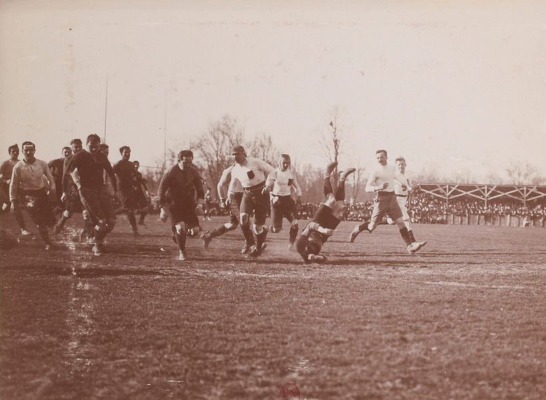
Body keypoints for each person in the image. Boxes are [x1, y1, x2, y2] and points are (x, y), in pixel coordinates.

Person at [349, 149, 426, 254]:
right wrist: (379, 187)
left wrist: (403, 184)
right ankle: (358, 228)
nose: (380, 159)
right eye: (377, 158)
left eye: (381, 157)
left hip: (392, 198)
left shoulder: (392, 168)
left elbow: (395, 177)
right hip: (381, 199)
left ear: (386, 157)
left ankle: (410, 246)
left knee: (401, 222)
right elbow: (367, 188)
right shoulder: (376, 171)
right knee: (372, 227)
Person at [64, 134, 118, 256]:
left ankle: (95, 239)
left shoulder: (102, 156)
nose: (94, 149)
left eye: (96, 146)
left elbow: (111, 173)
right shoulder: (80, 156)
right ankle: (97, 245)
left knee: (112, 221)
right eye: (91, 146)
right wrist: (76, 186)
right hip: (87, 191)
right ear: (87, 144)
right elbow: (68, 173)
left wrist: (115, 191)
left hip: (101, 190)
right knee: (102, 221)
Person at [296, 162, 355, 263]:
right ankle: (342, 178)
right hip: (325, 233)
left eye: (309, 256)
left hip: (317, 223)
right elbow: (324, 258)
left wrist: (322, 230)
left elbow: (310, 226)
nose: (311, 255)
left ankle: (327, 174)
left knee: (331, 201)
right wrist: (317, 258)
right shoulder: (315, 252)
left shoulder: (300, 246)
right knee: (340, 207)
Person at [157, 150, 204, 261]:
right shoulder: (171, 172)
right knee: (180, 228)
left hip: (188, 204)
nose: (188, 165)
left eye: (190, 163)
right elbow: (161, 190)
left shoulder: (194, 172)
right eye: (185, 162)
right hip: (173, 204)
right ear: (179, 160)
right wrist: (162, 208)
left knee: (195, 231)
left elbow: (200, 189)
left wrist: (200, 204)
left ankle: (177, 237)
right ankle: (182, 252)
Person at [9, 141, 56, 249]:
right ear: (22, 151)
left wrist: (52, 190)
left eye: (31, 150)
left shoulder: (42, 164)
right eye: (26, 150)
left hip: (41, 193)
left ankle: (52, 237)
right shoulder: (18, 167)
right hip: (27, 196)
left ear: (35, 150)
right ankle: (48, 242)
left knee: (51, 221)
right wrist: (13, 200)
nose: (28, 152)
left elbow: (50, 178)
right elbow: (13, 184)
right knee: (38, 221)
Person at [229, 145, 274, 257]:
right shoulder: (235, 169)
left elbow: (272, 171)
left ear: (243, 153)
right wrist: (229, 194)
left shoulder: (255, 162)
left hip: (261, 193)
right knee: (243, 217)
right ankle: (251, 244)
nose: (235, 157)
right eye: (233, 155)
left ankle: (257, 249)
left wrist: (268, 185)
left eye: (237, 154)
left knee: (257, 227)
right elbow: (233, 183)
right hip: (247, 193)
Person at [200, 164, 252, 253]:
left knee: (232, 224)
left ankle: (208, 236)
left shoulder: (248, 168)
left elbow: (252, 182)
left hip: (246, 196)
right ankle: (251, 244)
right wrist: (222, 200)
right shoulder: (229, 170)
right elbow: (220, 185)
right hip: (235, 198)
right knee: (244, 220)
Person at [266, 153, 302, 249]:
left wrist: (299, 195)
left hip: (288, 200)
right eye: (284, 162)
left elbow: (296, 186)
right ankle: (273, 229)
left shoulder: (291, 173)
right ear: (279, 162)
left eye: (288, 163)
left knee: (295, 223)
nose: (286, 165)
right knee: (277, 229)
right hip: (276, 200)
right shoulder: (274, 172)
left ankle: (291, 244)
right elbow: (268, 188)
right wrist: (273, 198)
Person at [54, 139, 84, 234]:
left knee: (87, 211)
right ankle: (60, 224)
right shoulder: (68, 160)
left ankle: (87, 231)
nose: (78, 148)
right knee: (68, 212)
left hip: (85, 187)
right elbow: (65, 176)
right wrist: (64, 192)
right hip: (73, 189)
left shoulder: (86, 157)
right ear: (72, 148)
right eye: (75, 147)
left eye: (79, 146)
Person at [0, 144, 30, 235]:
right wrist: (6, 181)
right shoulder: (5, 163)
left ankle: (23, 229)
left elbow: (25, 176)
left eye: (16, 151)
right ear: (9, 153)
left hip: (15, 190)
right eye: (13, 151)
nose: (15, 153)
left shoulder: (21, 163)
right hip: (3, 189)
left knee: (15, 207)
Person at [113, 146, 141, 235]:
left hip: (130, 188)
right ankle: (110, 214)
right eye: (125, 152)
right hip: (121, 188)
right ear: (121, 153)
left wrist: (135, 183)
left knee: (130, 210)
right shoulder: (118, 164)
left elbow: (134, 176)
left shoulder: (131, 164)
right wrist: (113, 187)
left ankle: (134, 230)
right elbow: (111, 175)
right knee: (127, 207)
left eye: (129, 152)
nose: (127, 154)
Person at [48, 146, 72, 211]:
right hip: (57, 181)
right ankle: (59, 207)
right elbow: (46, 167)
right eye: (65, 152)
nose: (67, 154)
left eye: (68, 152)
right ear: (62, 153)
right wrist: (51, 175)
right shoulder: (56, 161)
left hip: (66, 181)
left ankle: (64, 207)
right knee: (58, 194)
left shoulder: (72, 161)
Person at [133, 160, 150, 226]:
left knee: (146, 208)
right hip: (131, 194)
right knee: (129, 210)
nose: (136, 166)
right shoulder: (129, 173)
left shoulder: (139, 174)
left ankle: (141, 220)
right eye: (135, 165)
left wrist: (146, 190)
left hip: (139, 194)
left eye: (137, 165)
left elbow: (142, 182)